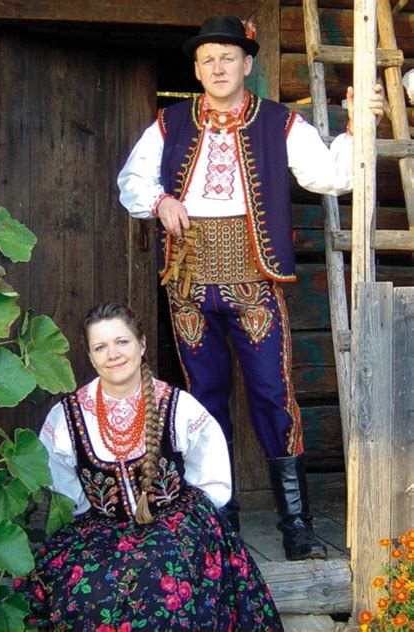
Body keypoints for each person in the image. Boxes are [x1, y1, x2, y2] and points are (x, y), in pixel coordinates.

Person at [117, 16, 385, 561]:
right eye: (207, 59)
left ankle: (298, 526)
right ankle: (219, 520)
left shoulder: (279, 122)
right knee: (205, 399)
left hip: (254, 279)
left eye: (228, 57)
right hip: (189, 282)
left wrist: (360, 130)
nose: (218, 68)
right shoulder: (169, 122)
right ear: (196, 69)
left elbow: (330, 176)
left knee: (273, 396)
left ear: (248, 64)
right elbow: (131, 180)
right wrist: (160, 201)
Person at [17, 302, 283, 631]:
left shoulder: (177, 406)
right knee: (84, 583)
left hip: (176, 523)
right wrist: (96, 513)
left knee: (160, 571)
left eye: (122, 342)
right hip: (103, 528)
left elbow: (211, 478)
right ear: (90, 356)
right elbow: (61, 482)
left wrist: (181, 520)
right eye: (100, 346)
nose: (112, 354)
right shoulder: (69, 416)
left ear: (141, 345)